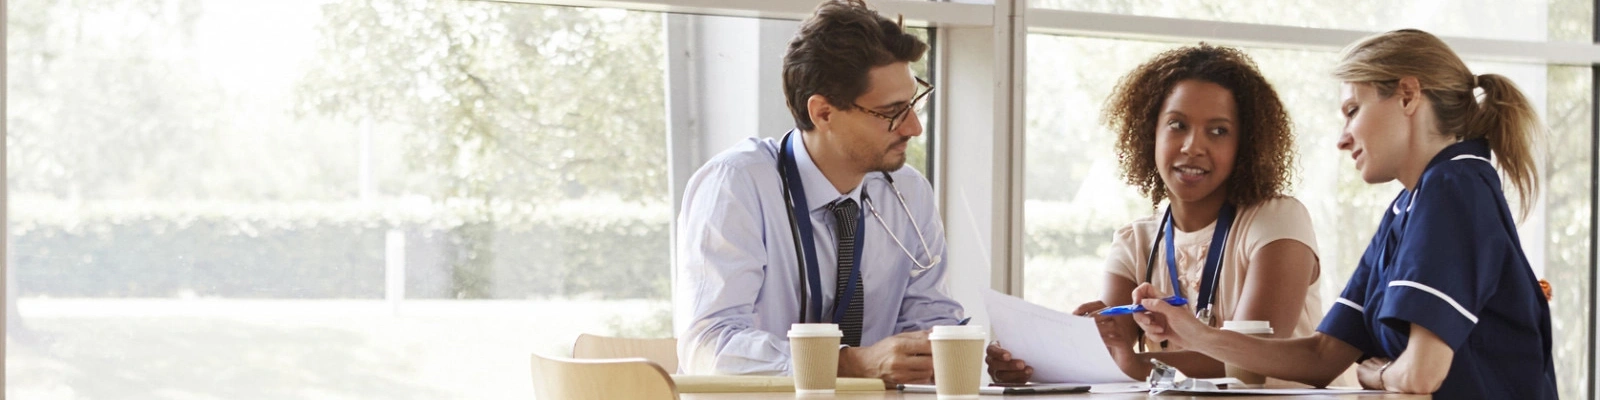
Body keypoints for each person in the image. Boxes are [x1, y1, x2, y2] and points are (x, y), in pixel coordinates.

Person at [1128, 29, 1556, 398]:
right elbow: (1322, 357)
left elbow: (1421, 374)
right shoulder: (1408, 208)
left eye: (1353, 110)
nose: (1342, 138)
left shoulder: (1455, 187)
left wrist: (1378, 375)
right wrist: (1194, 333)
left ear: (1408, 95)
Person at [987, 44, 1336, 385]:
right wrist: (1032, 362)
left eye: (1218, 131)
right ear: (1149, 132)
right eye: (1177, 125)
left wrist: (1139, 365)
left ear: (1245, 145)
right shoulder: (1134, 242)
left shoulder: (1277, 221)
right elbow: (1110, 354)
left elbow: (1252, 361)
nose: (1192, 146)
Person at [672, 0, 963, 386]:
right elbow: (709, 346)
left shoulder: (908, 192)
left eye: (914, 103)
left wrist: (963, 351)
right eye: (892, 112)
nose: (913, 128)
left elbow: (930, 321)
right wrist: (846, 364)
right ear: (823, 113)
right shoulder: (736, 184)